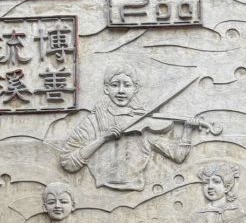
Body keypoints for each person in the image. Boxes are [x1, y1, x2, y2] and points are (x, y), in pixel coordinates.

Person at [60, 64, 202, 191]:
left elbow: (178, 155)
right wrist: (102, 139)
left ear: (136, 89)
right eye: (115, 85)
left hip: (137, 188)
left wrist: (187, 132)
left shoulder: (143, 122)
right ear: (106, 88)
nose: (121, 91)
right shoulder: (93, 121)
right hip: (97, 190)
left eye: (127, 85)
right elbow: (67, 162)